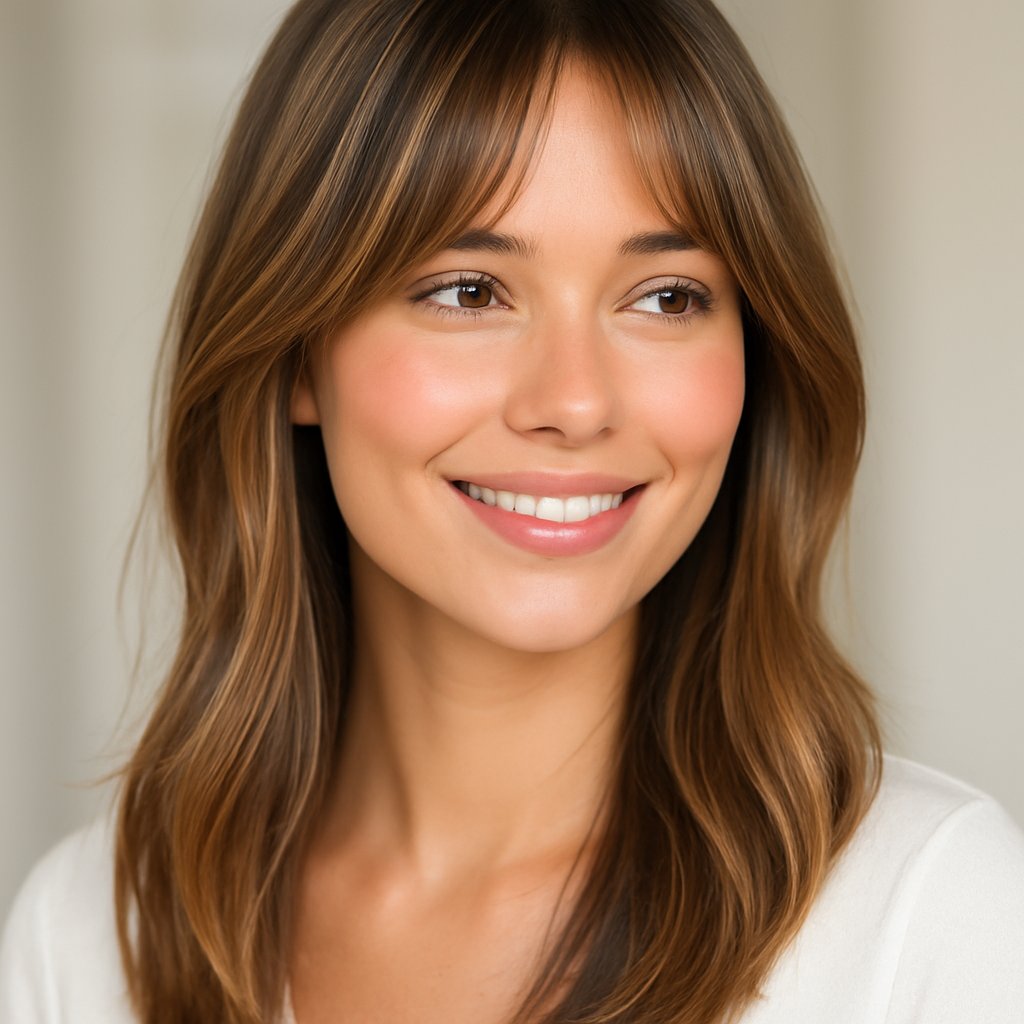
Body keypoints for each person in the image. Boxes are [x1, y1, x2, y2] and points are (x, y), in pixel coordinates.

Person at [3, 0, 1023, 1021]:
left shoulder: (933, 918)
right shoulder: (90, 936)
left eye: (665, 296)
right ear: (295, 349)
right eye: (467, 290)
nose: (574, 401)